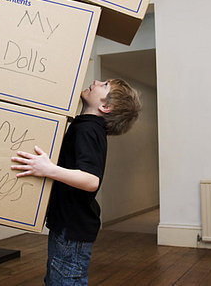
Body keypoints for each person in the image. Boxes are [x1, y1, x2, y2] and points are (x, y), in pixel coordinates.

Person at [11, 78, 141, 285]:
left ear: (105, 107)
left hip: (72, 229)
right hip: (67, 224)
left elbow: (91, 180)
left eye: (105, 85)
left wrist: (48, 169)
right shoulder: (84, 125)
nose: (97, 81)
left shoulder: (88, 130)